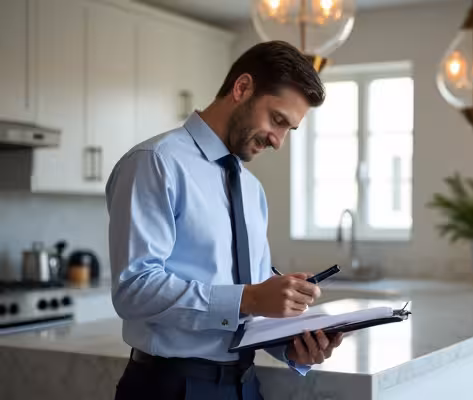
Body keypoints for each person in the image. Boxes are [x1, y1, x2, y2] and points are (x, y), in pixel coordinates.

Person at [106, 40, 343, 400]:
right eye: (277, 120)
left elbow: (250, 307)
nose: (278, 141)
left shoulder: (252, 189)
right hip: (169, 387)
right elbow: (134, 288)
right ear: (242, 88)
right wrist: (249, 297)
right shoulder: (155, 163)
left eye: (289, 130)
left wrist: (292, 346)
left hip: (246, 387)